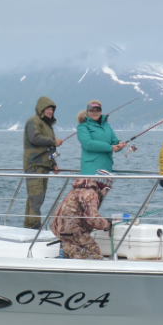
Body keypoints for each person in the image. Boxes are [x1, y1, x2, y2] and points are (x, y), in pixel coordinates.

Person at [50, 171, 116, 260]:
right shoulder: (91, 194)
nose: (106, 193)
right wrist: (107, 224)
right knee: (94, 250)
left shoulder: (79, 189)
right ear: (102, 186)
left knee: (79, 245)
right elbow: (92, 219)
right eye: (107, 190)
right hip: (72, 230)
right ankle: (74, 255)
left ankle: (68, 250)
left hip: (60, 227)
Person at [23, 96, 62, 229]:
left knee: (36, 198)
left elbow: (49, 149)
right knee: (36, 197)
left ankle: (29, 226)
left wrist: (54, 164)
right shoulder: (33, 121)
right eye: (47, 108)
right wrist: (53, 141)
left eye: (52, 109)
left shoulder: (48, 126)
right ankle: (34, 228)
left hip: (44, 166)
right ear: (41, 109)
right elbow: (34, 138)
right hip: (34, 164)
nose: (50, 111)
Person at [76, 100, 128, 175]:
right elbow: (88, 144)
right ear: (87, 112)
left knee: (105, 187)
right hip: (91, 169)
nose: (95, 112)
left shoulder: (107, 126)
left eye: (97, 110)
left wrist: (120, 144)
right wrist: (111, 148)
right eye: (92, 110)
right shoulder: (82, 126)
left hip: (107, 168)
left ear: (100, 112)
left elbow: (114, 142)